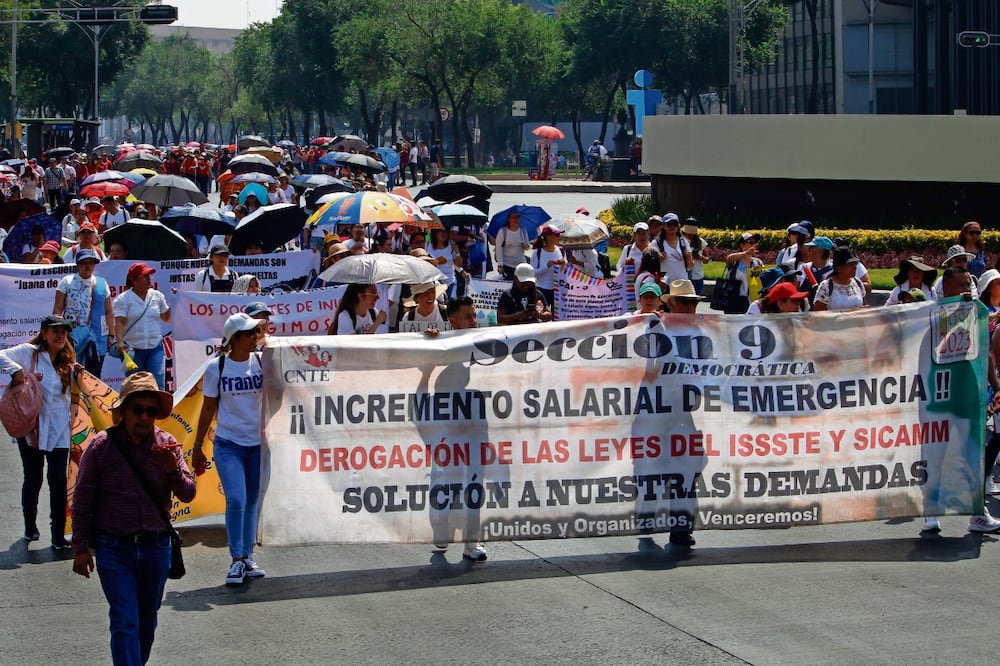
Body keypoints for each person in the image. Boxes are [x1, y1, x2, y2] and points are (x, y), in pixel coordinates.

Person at [71, 371, 195, 666]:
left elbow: (189, 493)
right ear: (123, 411)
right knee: (125, 623)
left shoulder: (167, 444)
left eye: (151, 411)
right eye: (138, 410)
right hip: (115, 549)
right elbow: (82, 500)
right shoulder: (101, 446)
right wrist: (79, 549)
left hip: (156, 549)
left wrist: (171, 470)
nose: (144, 417)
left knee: (146, 624)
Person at [193, 313, 266, 585]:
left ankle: (247, 556)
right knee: (236, 499)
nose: (254, 337)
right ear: (233, 339)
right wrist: (198, 444)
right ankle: (236, 559)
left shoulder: (261, 362)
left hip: (257, 443)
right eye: (248, 334)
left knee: (251, 502)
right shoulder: (217, 368)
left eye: (255, 333)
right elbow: (208, 407)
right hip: (228, 443)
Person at [0, 315, 77, 548]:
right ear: (44, 333)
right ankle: (30, 526)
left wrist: (75, 406)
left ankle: (57, 535)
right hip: (32, 428)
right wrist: (15, 372)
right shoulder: (28, 352)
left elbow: (75, 392)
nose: (60, 335)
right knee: (33, 478)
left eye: (63, 331)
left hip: (60, 430)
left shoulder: (69, 359)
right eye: (55, 331)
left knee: (58, 481)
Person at [54, 248, 113, 378]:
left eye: (91, 262)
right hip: (72, 336)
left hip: (97, 337)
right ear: (78, 264)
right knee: (69, 375)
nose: (88, 266)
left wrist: (111, 334)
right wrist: (58, 332)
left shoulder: (102, 283)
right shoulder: (67, 282)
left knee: (93, 378)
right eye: (84, 262)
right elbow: (58, 308)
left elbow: (108, 311)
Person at [113, 263, 171, 389]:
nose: (149, 278)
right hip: (133, 350)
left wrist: (178, 301)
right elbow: (120, 322)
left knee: (157, 385)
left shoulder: (158, 296)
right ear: (133, 280)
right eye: (144, 276)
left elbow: (166, 318)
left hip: (155, 347)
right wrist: (120, 342)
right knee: (135, 386)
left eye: (149, 275)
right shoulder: (123, 299)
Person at [812, 247, 866, 312]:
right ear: (839, 268)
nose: (854, 267)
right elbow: (818, 313)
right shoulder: (826, 286)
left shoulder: (858, 283)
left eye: (855, 264)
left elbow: (864, 307)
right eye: (850, 265)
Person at [722, 232, 764, 314]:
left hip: (751, 301)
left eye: (755, 243)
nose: (754, 245)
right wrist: (746, 253)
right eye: (751, 242)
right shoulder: (735, 261)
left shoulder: (758, 262)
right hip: (735, 300)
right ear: (742, 245)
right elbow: (728, 258)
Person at [529, 224, 567, 306]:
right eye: (556, 234)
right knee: (543, 316)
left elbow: (565, 272)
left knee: (556, 318)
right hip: (541, 289)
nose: (559, 236)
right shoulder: (537, 252)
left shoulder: (561, 250)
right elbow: (532, 273)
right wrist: (547, 266)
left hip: (557, 289)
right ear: (548, 236)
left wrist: (563, 265)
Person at [653, 213, 693, 284]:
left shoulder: (684, 242)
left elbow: (690, 266)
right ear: (664, 226)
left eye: (675, 224)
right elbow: (649, 264)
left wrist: (689, 259)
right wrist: (659, 260)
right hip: (664, 285)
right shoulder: (656, 243)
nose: (672, 227)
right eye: (669, 224)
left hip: (682, 283)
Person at [493, 211, 531, 280]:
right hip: (507, 264)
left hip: (521, 263)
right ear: (509, 219)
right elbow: (498, 248)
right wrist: (500, 265)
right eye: (514, 217)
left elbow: (528, 247)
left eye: (518, 217)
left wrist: (525, 246)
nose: (516, 219)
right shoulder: (503, 231)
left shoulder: (523, 230)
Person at [426, 228, 461, 298]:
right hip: (433, 283)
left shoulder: (451, 244)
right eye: (441, 231)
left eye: (445, 231)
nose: (444, 234)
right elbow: (427, 232)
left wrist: (457, 252)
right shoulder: (428, 242)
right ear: (435, 232)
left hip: (450, 283)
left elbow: (458, 264)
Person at [681, 219, 710, 294]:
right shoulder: (680, 242)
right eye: (688, 233)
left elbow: (707, 260)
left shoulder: (701, 242)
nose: (690, 236)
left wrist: (699, 257)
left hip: (697, 276)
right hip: (683, 276)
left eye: (692, 234)